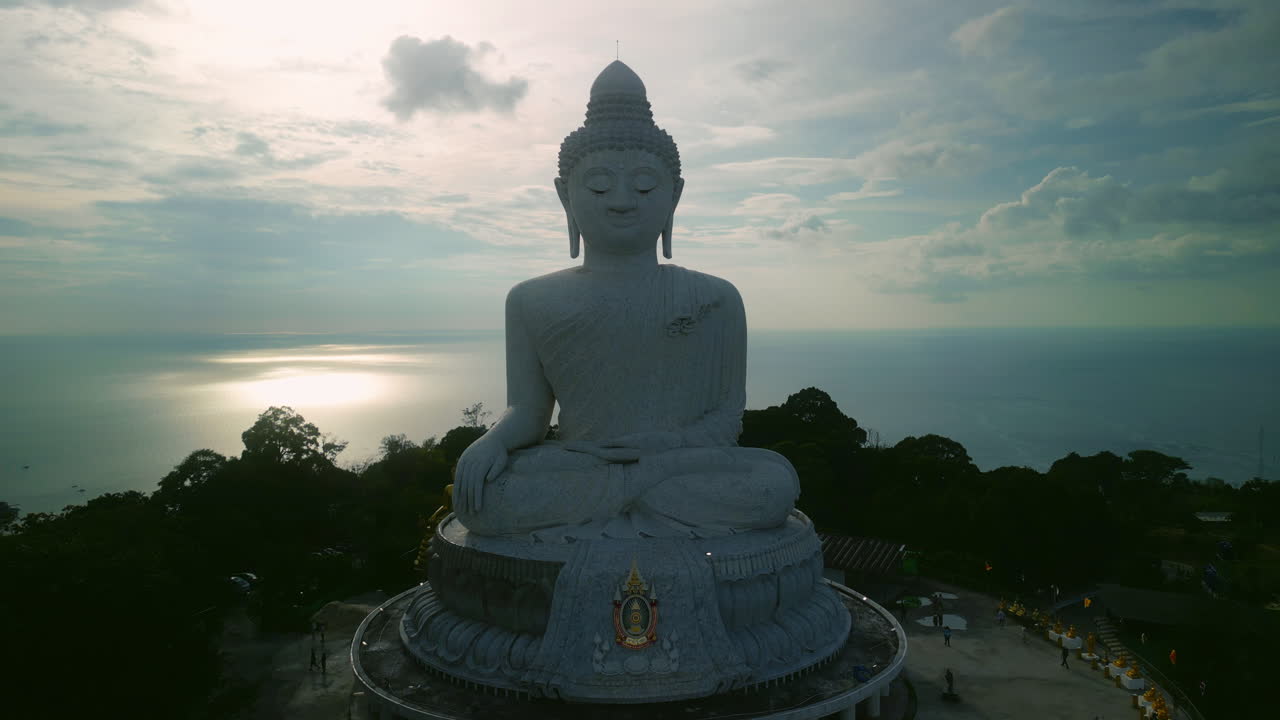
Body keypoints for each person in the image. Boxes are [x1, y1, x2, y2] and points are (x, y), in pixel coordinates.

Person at [450, 60, 800, 541]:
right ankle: (637, 499)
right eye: (597, 185)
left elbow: (724, 422)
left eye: (643, 185)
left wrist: (664, 448)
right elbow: (530, 414)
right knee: (483, 496)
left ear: (674, 196)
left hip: (678, 465)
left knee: (772, 483)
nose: (620, 200)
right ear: (564, 196)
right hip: (581, 462)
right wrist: (490, 443)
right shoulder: (531, 299)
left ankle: (626, 495)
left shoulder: (715, 297)